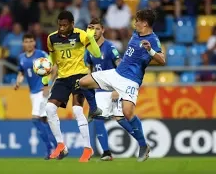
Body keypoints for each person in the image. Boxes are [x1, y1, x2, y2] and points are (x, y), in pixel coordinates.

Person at [79, 9, 166, 162]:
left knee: (127, 113)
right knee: (82, 82)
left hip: (131, 81)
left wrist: (150, 51)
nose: (135, 23)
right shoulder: (135, 33)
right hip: (116, 74)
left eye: (138, 21)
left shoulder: (153, 39)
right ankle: (94, 109)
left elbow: (162, 60)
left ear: (145, 23)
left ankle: (143, 145)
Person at [85, 18, 149, 161]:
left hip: (114, 86)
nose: (94, 32)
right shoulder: (88, 49)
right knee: (99, 117)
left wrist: (117, 88)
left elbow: (120, 65)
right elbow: (88, 70)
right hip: (100, 89)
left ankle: (142, 144)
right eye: (91, 29)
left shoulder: (109, 47)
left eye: (97, 29)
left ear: (103, 30)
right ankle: (107, 153)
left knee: (121, 118)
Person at [44, 10, 101, 162]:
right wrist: (46, 71)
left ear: (72, 24)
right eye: (60, 25)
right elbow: (52, 59)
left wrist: (91, 37)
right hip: (62, 77)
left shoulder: (81, 35)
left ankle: (88, 149)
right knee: (49, 109)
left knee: (77, 110)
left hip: (80, 76)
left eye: (65, 25)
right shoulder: (52, 38)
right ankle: (61, 145)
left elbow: (96, 54)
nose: (61, 28)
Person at [14, 33, 57, 160]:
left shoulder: (41, 55)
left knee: (35, 118)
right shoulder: (21, 57)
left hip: (41, 91)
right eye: (26, 41)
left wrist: (48, 85)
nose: (29, 44)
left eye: (31, 41)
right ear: (23, 43)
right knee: (44, 121)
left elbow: (54, 68)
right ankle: (59, 147)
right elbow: (21, 72)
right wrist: (18, 82)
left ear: (34, 42)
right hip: (33, 92)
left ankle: (50, 149)